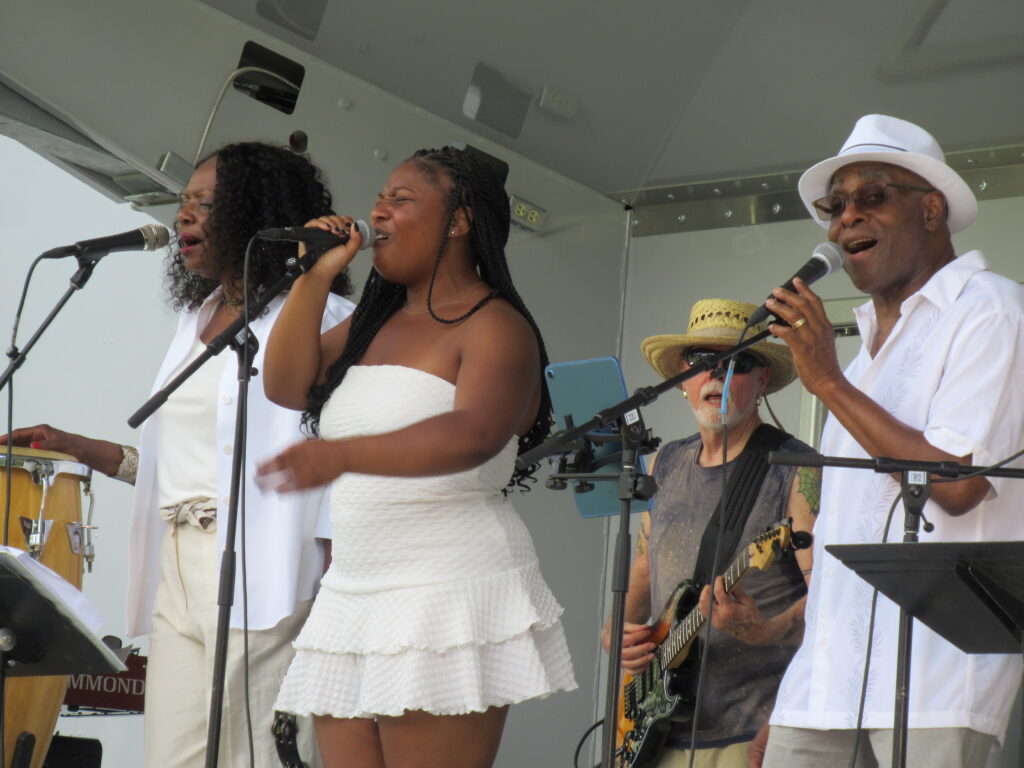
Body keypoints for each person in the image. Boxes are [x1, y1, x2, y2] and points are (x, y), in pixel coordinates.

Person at [3, 142, 355, 767]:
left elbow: (348, 461)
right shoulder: (196, 318)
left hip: (274, 570)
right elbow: (189, 464)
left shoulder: (327, 317)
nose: (183, 217)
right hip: (181, 572)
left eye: (204, 203)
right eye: (182, 202)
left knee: (259, 757)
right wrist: (84, 449)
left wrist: (334, 587)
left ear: (255, 211)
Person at [256, 145, 576, 768]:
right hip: (354, 591)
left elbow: (473, 434)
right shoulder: (373, 325)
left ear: (458, 221)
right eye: (379, 199)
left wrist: (343, 455)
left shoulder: (495, 325)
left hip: (447, 590)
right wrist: (314, 279)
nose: (378, 211)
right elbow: (286, 385)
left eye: (400, 200)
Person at [761, 114, 1024, 767]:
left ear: (931, 210)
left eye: (872, 197)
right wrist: (792, 694)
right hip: (825, 689)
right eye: (836, 204)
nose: (846, 218)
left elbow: (958, 487)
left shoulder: (990, 311)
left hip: (934, 683)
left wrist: (824, 380)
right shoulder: (863, 358)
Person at [602, 298, 819, 768]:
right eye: (701, 361)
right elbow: (645, 563)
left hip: (751, 728)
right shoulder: (665, 461)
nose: (717, 374)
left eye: (738, 363)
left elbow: (831, 596)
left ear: (762, 381)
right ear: (683, 379)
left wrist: (765, 631)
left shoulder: (796, 468)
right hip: (656, 728)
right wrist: (620, 628)